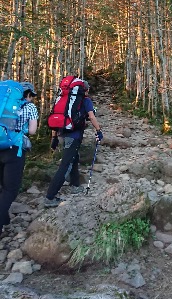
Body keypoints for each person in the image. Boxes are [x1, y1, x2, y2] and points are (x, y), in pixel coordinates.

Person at [44, 81, 103, 207]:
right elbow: (92, 117)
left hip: (61, 135)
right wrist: (98, 130)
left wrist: (53, 138)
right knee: (66, 165)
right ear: (85, 90)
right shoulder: (85, 100)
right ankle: (50, 197)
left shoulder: (64, 99)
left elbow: (57, 118)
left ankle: (75, 184)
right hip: (74, 136)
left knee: (74, 157)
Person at [0, 82, 38, 237]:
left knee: (2, 187)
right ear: (28, 94)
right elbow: (33, 131)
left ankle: (5, 219)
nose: (32, 99)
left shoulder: (4, 105)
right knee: (10, 189)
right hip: (14, 150)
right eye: (32, 96)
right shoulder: (30, 108)